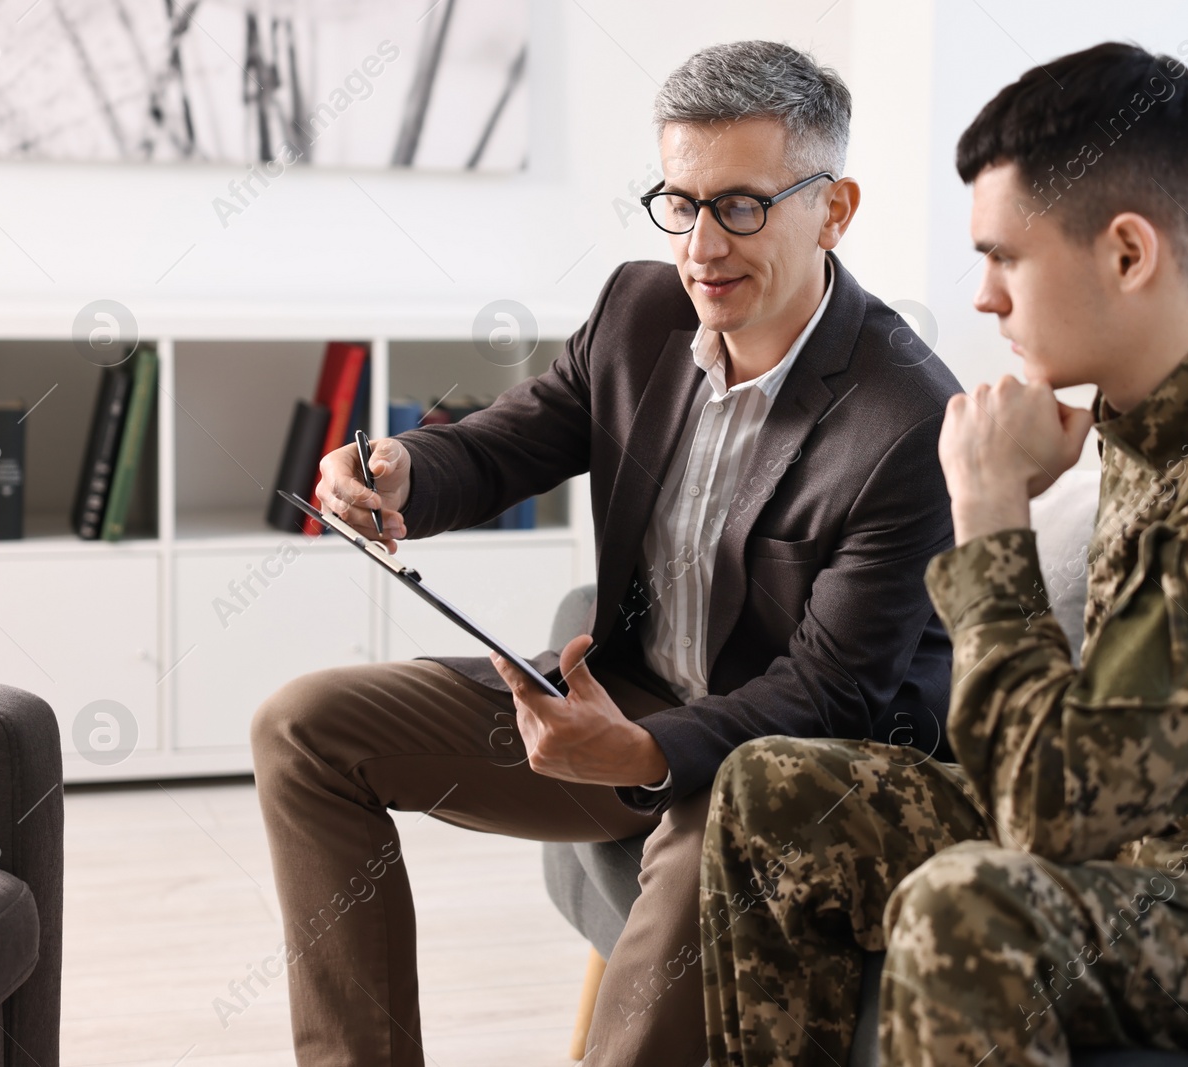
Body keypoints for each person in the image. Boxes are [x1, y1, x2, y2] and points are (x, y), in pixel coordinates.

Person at [700, 41, 1188, 1066]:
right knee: (772, 793)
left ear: (1128, 253)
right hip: (1178, 848)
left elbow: (1049, 809)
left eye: (1005, 256)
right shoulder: (1148, 402)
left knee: (969, 909)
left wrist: (987, 505)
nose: (983, 296)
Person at [249, 40, 961, 1067]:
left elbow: (832, 694)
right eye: (680, 201)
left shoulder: (903, 417)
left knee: (712, 819)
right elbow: (514, 436)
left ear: (834, 207)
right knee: (302, 728)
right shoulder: (641, 310)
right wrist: (407, 468)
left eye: (741, 205)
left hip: (781, 768)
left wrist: (641, 752)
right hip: (624, 699)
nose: (702, 245)